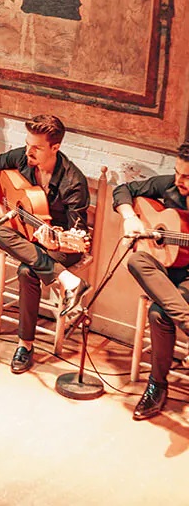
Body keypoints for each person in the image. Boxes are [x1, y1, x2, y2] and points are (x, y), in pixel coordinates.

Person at [0, 114, 90, 374]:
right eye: (28, 143)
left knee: (28, 271)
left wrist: (57, 242)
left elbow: (79, 242)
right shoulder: (23, 157)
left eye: (36, 147)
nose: (29, 151)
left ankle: (24, 345)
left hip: (60, 248)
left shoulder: (74, 183)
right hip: (26, 238)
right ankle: (68, 281)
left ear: (55, 148)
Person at [113, 142, 189, 420]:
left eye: (186, 177)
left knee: (159, 313)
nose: (178, 180)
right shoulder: (168, 185)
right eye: (177, 172)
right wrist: (129, 216)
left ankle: (157, 386)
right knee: (135, 259)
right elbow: (124, 190)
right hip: (165, 274)